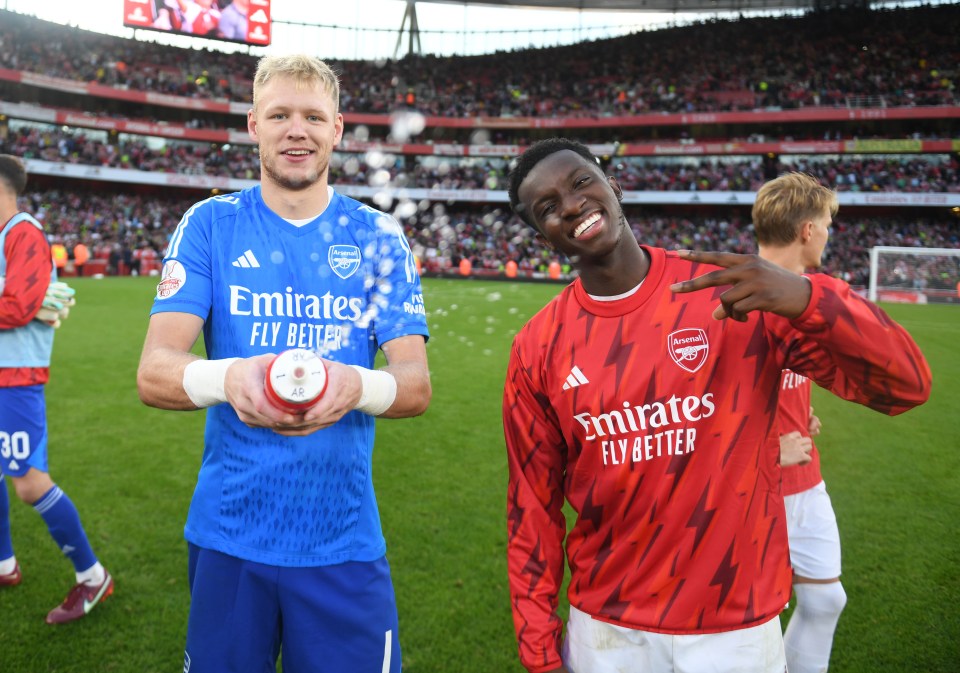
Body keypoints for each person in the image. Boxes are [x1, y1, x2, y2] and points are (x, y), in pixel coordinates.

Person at [501, 138, 931, 673]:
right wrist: (540, 651)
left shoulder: (733, 291)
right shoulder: (537, 347)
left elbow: (904, 387)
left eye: (581, 182)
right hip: (607, 632)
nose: (570, 205)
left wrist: (806, 296)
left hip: (739, 627)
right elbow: (531, 509)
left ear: (612, 185)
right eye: (547, 207)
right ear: (541, 233)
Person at [136, 54, 431, 673]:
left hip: (342, 537)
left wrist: (354, 386)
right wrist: (230, 378)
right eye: (279, 115)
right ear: (253, 125)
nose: (296, 130)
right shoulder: (210, 225)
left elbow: (414, 386)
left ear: (338, 129)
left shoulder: (378, 236)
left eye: (313, 117)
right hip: (230, 532)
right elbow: (155, 370)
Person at [0, 154, 113, 624]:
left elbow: (19, 306)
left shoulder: (24, 233)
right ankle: (4, 563)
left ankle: (93, 577)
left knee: (28, 483)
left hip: (16, 380)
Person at [753, 172, 847, 673]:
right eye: (828, 224)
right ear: (807, 230)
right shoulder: (737, 301)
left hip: (806, 482)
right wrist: (771, 448)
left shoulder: (807, 298)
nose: (830, 235)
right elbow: (695, 414)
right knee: (754, 618)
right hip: (753, 487)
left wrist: (798, 412)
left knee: (827, 601)